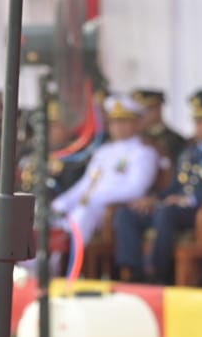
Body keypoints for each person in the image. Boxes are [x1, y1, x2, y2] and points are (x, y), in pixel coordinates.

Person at [112, 89, 202, 285]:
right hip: (176, 208)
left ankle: (158, 273)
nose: (198, 127)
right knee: (128, 213)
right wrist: (155, 199)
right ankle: (132, 271)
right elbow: (175, 187)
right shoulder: (188, 152)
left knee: (166, 212)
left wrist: (189, 199)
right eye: (196, 121)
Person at [51, 94, 159, 248]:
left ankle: (70, 267)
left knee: (81, 215)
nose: (118, 127)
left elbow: (136, 189)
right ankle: (36, 266)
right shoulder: (103, 151)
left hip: (110, 210)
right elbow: (85, 185)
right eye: (114, 122)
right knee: (47, 215)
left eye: (123, 121)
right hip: (88, 205)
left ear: (137, 123)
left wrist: (97, 197)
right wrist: (61, 203)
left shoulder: (143, 152)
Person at [133, 89, 186, 171]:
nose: (140, 116)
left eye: (145, 110)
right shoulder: (134, 138)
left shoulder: (175, 140)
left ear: (158, 109)